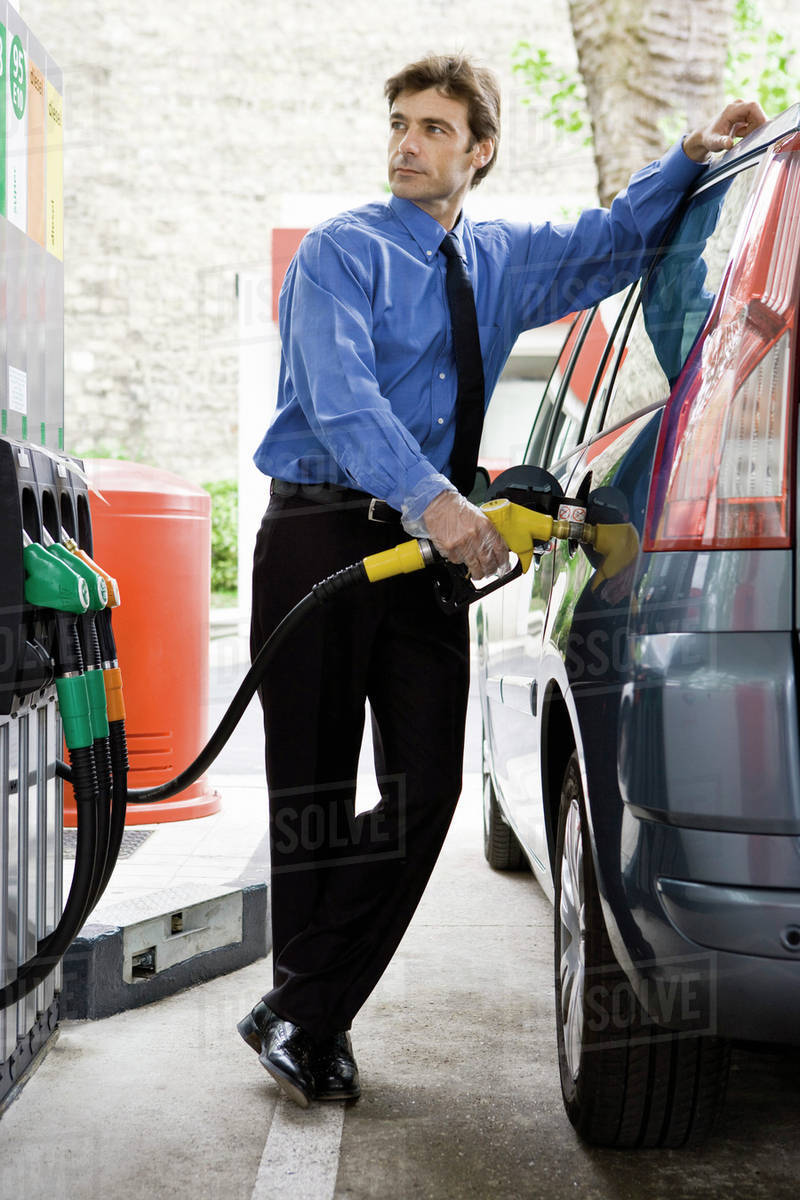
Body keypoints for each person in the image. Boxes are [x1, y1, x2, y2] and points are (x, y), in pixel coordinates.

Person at [238, 53, 766, 1109]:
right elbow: (341, 404)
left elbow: (610, 242)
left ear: (478, 150)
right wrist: (443, 504)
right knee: (312, 792)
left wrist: (690, 156)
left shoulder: (496, 256)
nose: (405, 143)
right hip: (322, 536)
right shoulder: (341, 254)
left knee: (426, 786)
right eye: (398, 123)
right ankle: (311, 1013)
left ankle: (298, 999)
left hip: (426, 555)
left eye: (434, 128)